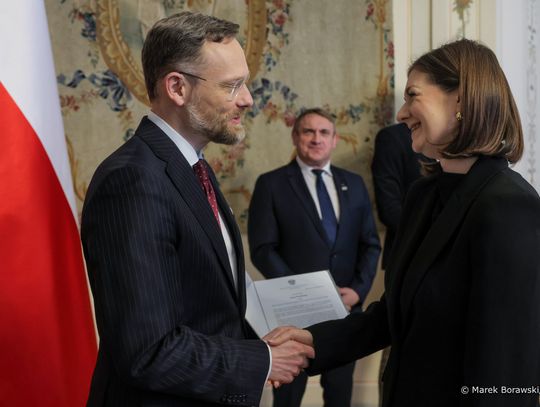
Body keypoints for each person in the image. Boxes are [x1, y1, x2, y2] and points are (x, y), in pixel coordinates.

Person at [264, 39, 540, 407]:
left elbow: (507, 367)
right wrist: (313, 341)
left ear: (460, 99)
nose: (401, 113)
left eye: (413, 96)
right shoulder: (422, 196)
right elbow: (395, 313)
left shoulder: (510, 206)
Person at [81, 12, 313, 407]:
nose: (248, 99)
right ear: (177, 87)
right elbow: (147, 351)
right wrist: (263, 361)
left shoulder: (193, 167)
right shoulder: (133, 181)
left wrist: (260, 344)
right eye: (232, 85)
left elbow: (207, 309)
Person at [248, 108, 381, 407]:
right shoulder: (271, 184)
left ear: (335, 140)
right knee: (288, 396)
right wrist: (301, 294)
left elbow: (370, 244)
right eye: (308, 131)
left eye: (324, 132)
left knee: (339, 394)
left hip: (345, 310)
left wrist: (358, 290)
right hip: (294, 315)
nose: (316, 139)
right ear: (295, 137)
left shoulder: (354, 183)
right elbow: (263, 249)